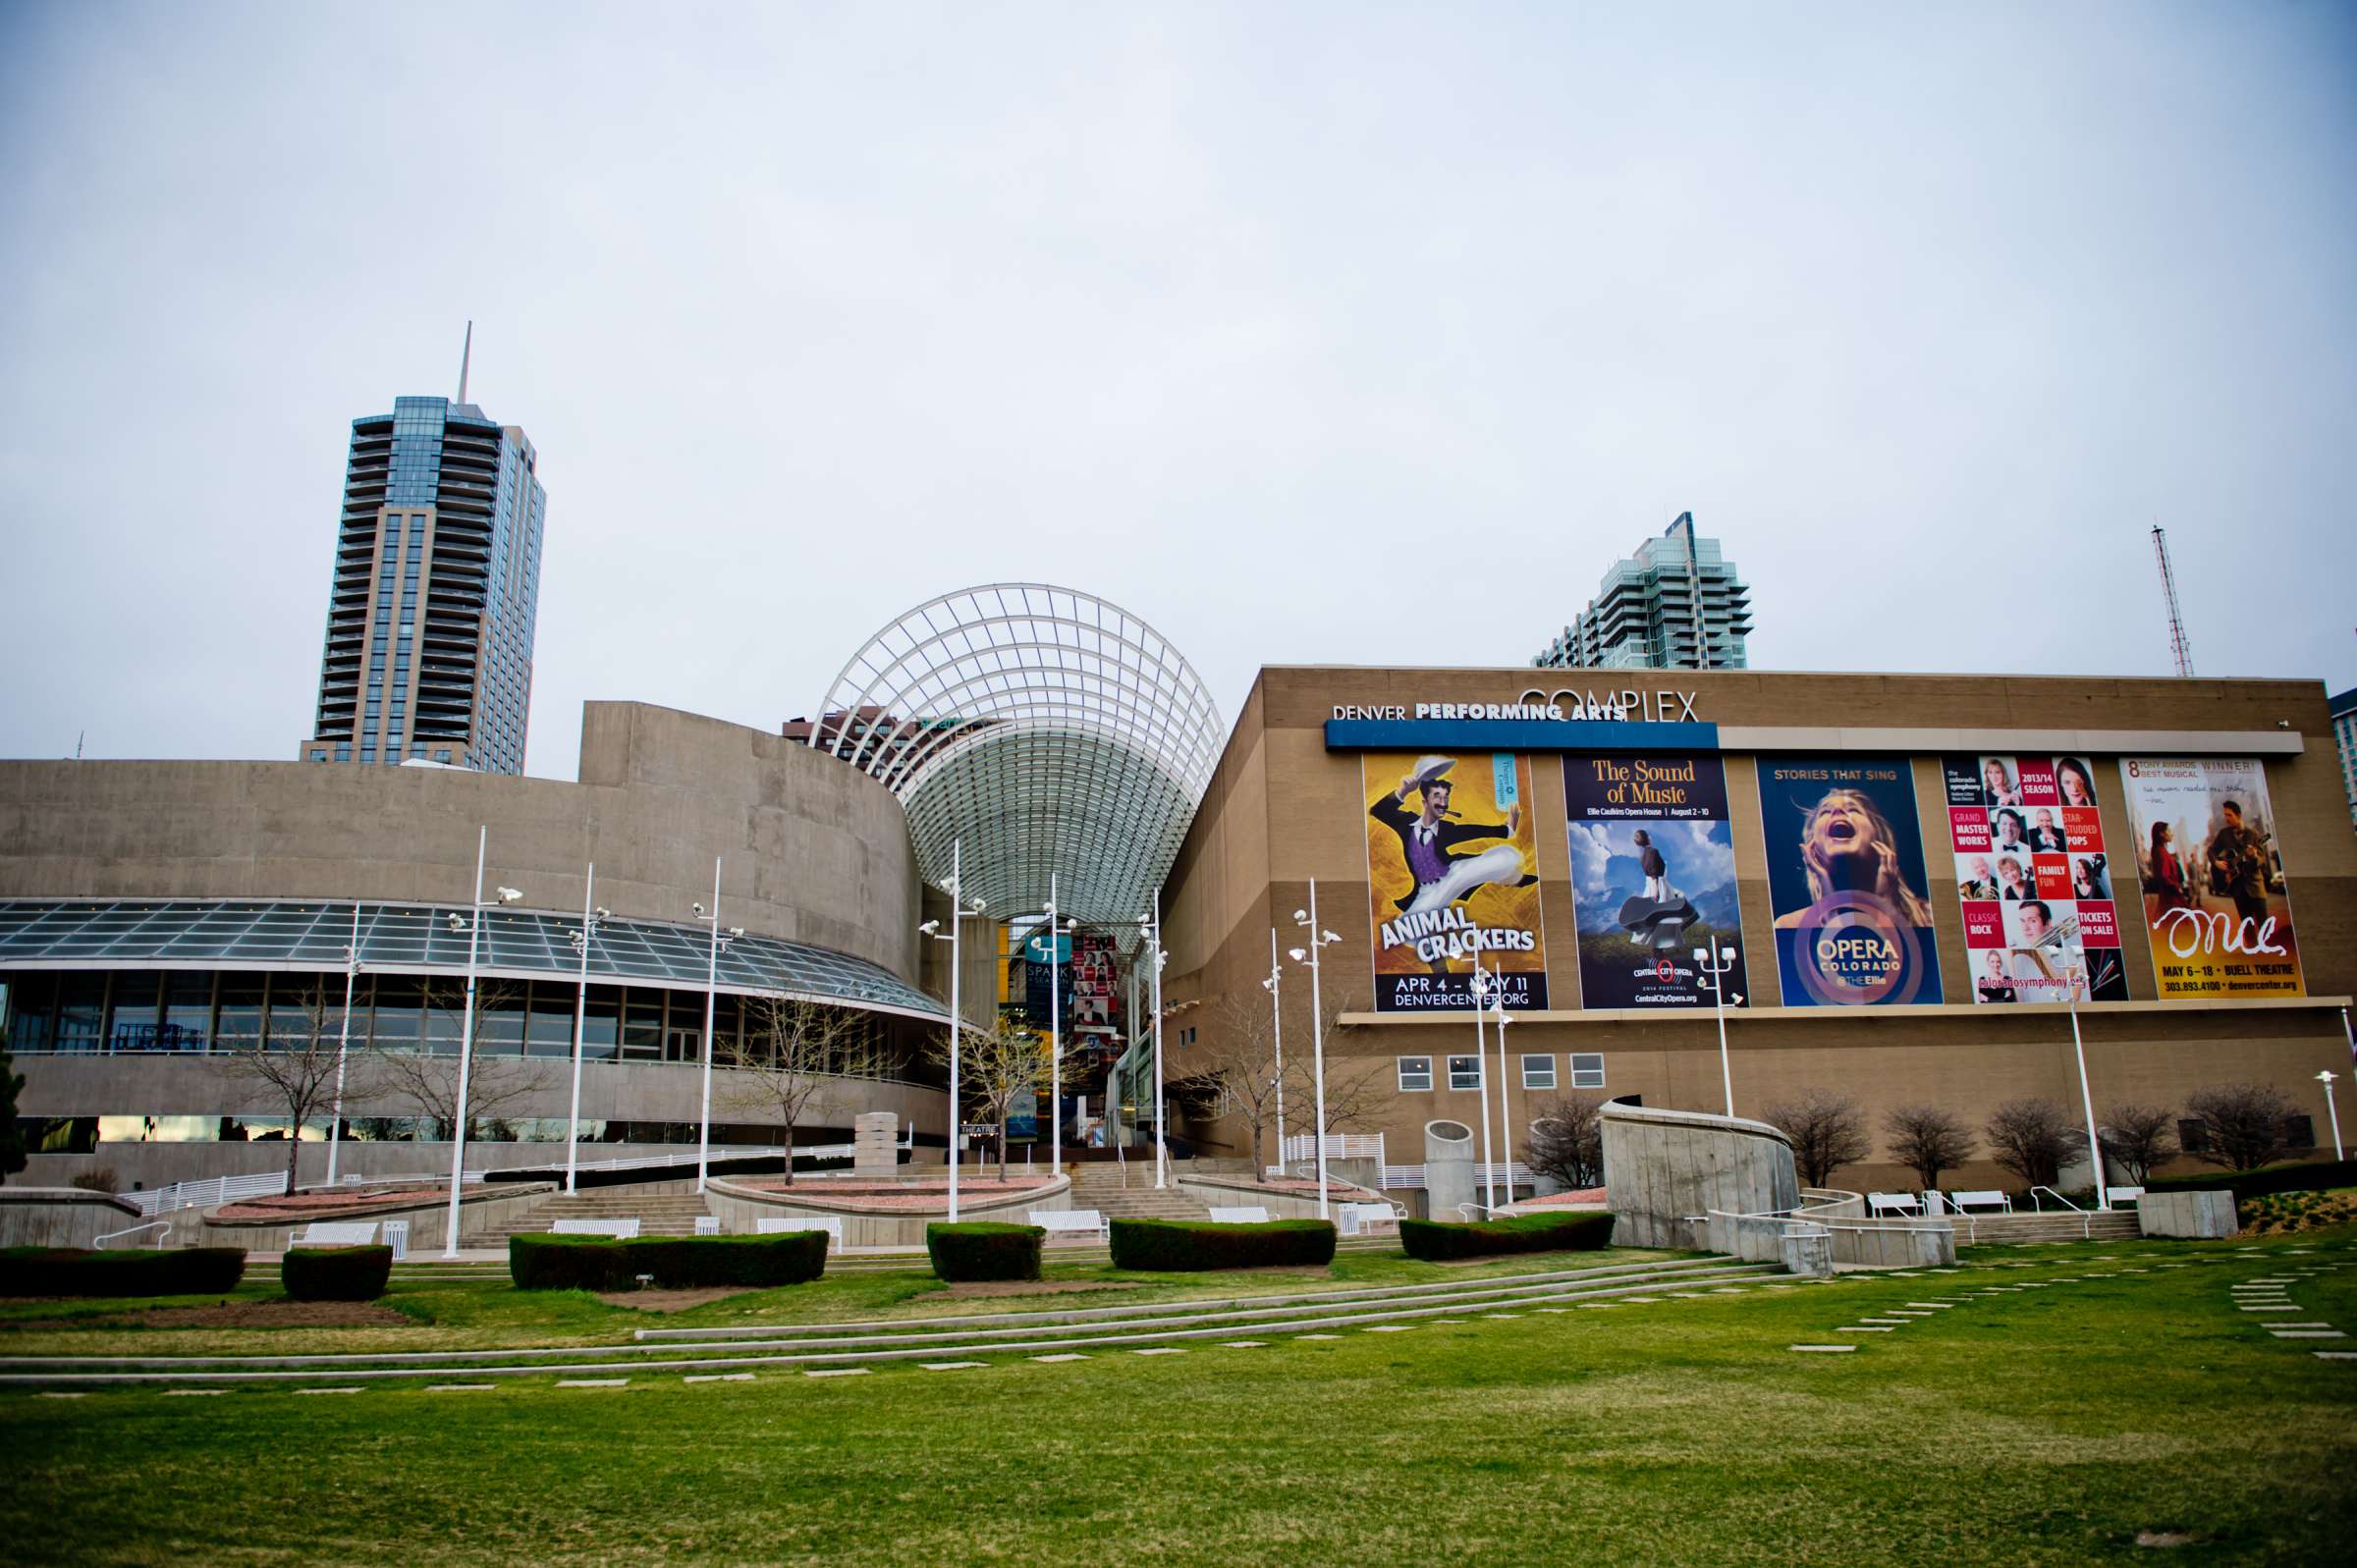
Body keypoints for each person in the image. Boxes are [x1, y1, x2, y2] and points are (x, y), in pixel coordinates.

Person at [1368, 755, 1536, 922]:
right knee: (1415, 931)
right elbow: (1379, 811)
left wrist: (1507, 830)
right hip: (1427, 893)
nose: (1443, 802)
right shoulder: (1406, 823)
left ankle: (1512, 876)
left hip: (1453, 876)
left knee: (1505, 858)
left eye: (1445, 797)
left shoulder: (1446, 829)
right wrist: (1404, 790)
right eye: (1437, 796)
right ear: (1425, 801)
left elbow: (1472, 831)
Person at [1773, 787, 1938, 930]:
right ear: (1812, 848)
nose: (1837, 811)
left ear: (1879, 839)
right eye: (1825, 811)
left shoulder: (1929, 917)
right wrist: (1829, 910)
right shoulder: (1789, 926)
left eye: (1853, 810)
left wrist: (1887, 909)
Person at [2205, 799, 2272, 926]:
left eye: (2229, 815)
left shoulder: (2253, 834)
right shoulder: (2224, 834)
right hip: (2238, 890)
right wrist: (2216, 863)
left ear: (2239, 815)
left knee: (2265, 928)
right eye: (2225, 815)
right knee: (2247, 929)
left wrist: (2254, 856)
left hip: (2255, 888)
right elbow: (2211, 850)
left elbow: (2261, 862)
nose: (2226, 818)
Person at [2147, 822, 2192, 915]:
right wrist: (2177, 887)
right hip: (2171, 897)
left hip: (2170, 896)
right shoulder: (2160, 852)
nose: (2172, 833)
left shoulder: (2161, 850)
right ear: (2162, 834)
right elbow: (2164, 876)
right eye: (2169, 830)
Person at [1633, 828, 1671, 901]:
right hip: (1659, 888)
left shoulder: (1642, 857)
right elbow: (1654, 878)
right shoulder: (1653, 852)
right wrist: (1655, 897)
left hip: (1651, 888)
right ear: (1648, 838)